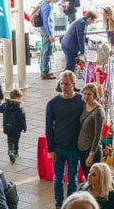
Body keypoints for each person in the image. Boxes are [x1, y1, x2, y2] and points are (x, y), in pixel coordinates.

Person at [45, 71, 84, 208]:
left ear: (73, 84)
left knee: (72, 179)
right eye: (61, 83)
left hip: (74, 147)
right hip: (58, 147)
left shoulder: (81, 101)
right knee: (58, 178)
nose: (63, 86)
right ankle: (58, 203)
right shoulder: (52, 104)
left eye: (66, 84)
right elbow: (48, 128)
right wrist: (50, 149)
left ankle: (71, 204)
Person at [78, 84, 106, 180]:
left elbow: (97, 135)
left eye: (89, 94)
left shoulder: (98, 111)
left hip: (90, 149)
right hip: (81, 147)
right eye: (84, 94)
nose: (86, 97)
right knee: (87, 178)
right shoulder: (84, 105)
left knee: (94, 180)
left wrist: (91, 154)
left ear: (94, 95)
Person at [0, 89, 26, 163]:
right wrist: (24, 127)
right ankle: (15, 152)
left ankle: (10, 151)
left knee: (9, 140)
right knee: (16, 140)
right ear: (18, 98)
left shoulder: (5, 105)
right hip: (16, 128)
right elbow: (22, 119)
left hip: (7, 127)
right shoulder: (19, 108)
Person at [40, 0, 58, 80]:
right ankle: (45, 72)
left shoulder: (42, 3)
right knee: (47, 52)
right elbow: (46, 21)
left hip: (43, 31)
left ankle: (44, 70)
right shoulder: (47, 6)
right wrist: (50, 34)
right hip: (47, 31)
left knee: (44, 51)